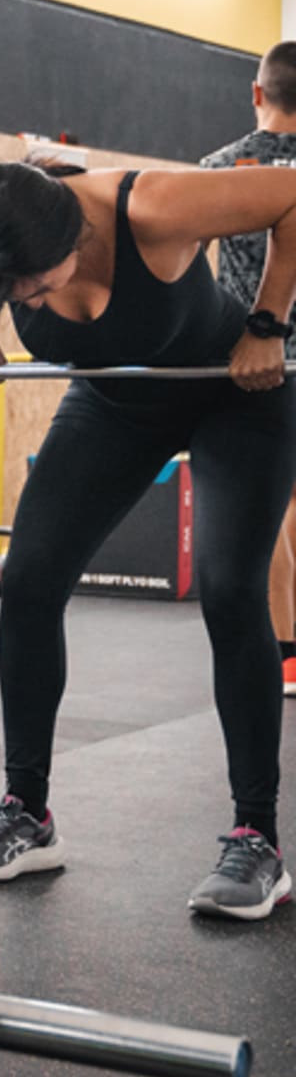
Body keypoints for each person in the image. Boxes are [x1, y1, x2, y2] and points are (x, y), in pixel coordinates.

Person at [0, 154, 296, 919]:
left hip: (231, 391)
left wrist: (268, 325)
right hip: (114, 403)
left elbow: (293, 198)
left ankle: (255, 840)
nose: (25, 301)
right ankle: (26, 812)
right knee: (28, 581)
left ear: (69, 235)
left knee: (231, 590)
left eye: (32, 286)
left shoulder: (153, 209)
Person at [201, 41, 296, 697]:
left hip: (251, 365)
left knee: (269, 511)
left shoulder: (215, 171)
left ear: (257, 92)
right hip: (270, 358)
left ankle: (286, 653)